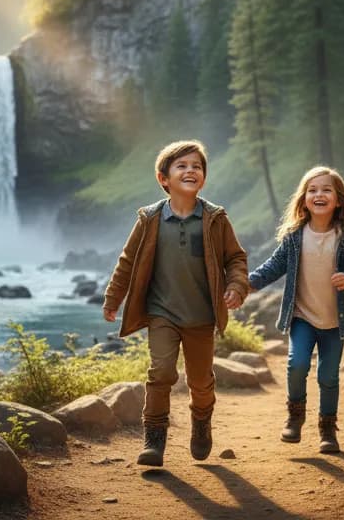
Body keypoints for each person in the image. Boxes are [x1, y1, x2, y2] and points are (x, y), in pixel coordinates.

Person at [102, 140, 249, 466]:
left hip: (200, 315)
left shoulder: (214, 219)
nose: (190, 171)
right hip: (161, 312)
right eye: (181, 166)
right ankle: (154, 440)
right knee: (161, 372)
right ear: (163, 178)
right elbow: (127, 261)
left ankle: (201, 422)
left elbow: (235, 259)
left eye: (196, 166)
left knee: (199, 380)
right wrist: (114, 298)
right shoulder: (149, 219)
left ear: (203, 178)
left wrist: (237, 287)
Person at [248, 166, 344, 453]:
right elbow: (273, 267)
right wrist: (247, 285)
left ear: (339, 199)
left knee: (328, 376)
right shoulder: (295, 236)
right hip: (302, 317)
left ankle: (327, 430)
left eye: (326, 189)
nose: (319, 194)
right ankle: (295, 416)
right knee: (297, 365)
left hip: (336, 321)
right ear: (304, 198)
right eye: (313, 190)